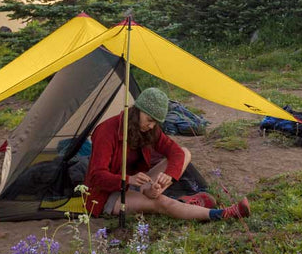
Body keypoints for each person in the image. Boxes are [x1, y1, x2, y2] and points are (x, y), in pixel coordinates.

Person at [83, 87, 250, 221]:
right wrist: (128, 180)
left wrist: (167, 177)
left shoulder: (150, 129)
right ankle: (222, 214)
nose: (151, 126)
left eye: (155, 122)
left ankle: (157, 193)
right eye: (149, 120)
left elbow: (177, 153)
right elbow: (97, 176)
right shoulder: (107, 131)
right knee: (160, 203)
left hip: (136, 183)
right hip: (107, 195)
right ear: (137, 111)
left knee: (185, 152)